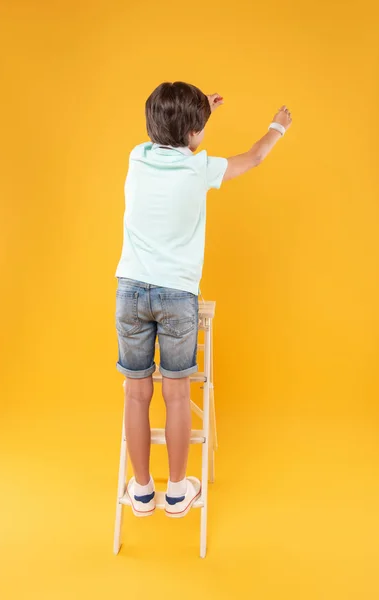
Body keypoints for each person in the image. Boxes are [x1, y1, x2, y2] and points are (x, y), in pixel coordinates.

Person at [115, 81, 292, 518]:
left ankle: (140, 491)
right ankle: (177, 492)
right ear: (196, 133)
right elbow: (252, 157)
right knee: (177, 395)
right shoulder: (202, 169)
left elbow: (173, 136)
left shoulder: (137, 157)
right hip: (178, 296)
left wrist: (196, 115)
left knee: (136, 395)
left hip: (130, 290)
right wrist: (277, 127)